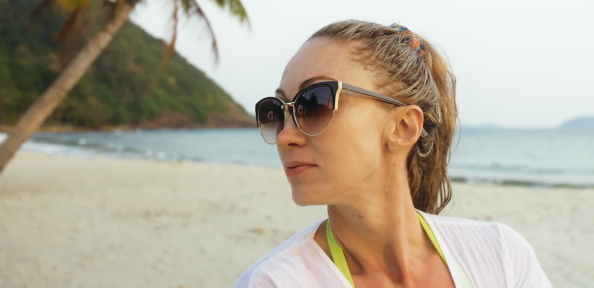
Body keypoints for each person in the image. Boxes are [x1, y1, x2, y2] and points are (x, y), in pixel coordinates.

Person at [235, 20, 551, 288]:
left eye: (315, 103)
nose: (285, 136)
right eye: (276, 111)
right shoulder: (276, 281)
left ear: (402, 127)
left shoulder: (501, 257)